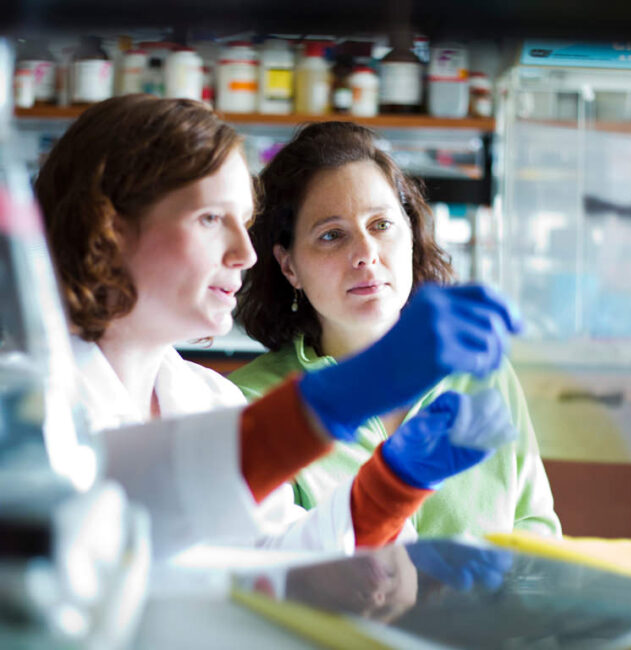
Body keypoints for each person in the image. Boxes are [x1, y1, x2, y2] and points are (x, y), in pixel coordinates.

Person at [35, 95, 522, 558]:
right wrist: (345, 394)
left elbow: (277, 564)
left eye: (242, 223)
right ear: (108, 227)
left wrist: (393, 486)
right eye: (210, 218)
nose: (244, 254)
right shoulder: (24, 400)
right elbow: (118, 508)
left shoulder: (209, 398)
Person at [231, 120, 562, 540]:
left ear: (410, 234)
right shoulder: (254, 404)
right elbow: (269, 567)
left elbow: (535, 528)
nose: (366, 254)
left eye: (381, 224)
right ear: (289, 265)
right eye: (332, 235)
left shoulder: (483, 373)